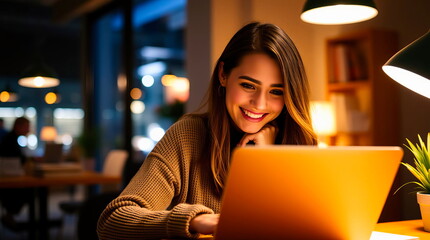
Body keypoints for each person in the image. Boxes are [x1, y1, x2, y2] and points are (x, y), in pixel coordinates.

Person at [97, 22, 317, 239]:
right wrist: (193, 220)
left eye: (276, 91)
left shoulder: (300, 146)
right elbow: (113, 221)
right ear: (223, 75)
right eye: (248, 85)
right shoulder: (188, 135)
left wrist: (267, 160)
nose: (259, 104)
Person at [0, 117, 32, 231]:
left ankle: (10, 215)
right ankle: (10, 215)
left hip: (10, 176)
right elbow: (17, 160)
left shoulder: (12, 138)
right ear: (19, 126)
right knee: (28, 191)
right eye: (27, 127)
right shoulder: (10, 139)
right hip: (9, 179)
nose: (29, 130)